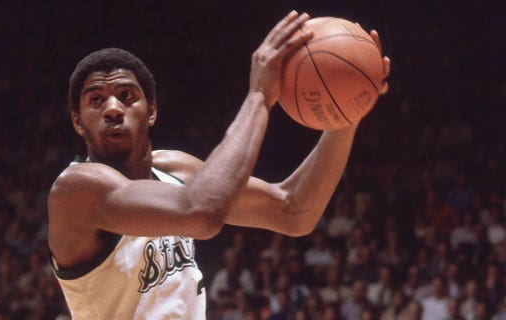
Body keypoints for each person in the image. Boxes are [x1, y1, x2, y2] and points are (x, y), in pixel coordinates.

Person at [46, 10, 391, 319]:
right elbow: (200, 213)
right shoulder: (76, 191)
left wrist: (347, 115)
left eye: (126, 96)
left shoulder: (176, 170)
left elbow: (294, 210)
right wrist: (259, 96)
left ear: (151, 110)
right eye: (96, 100)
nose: (112, 108)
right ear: (78, 122)